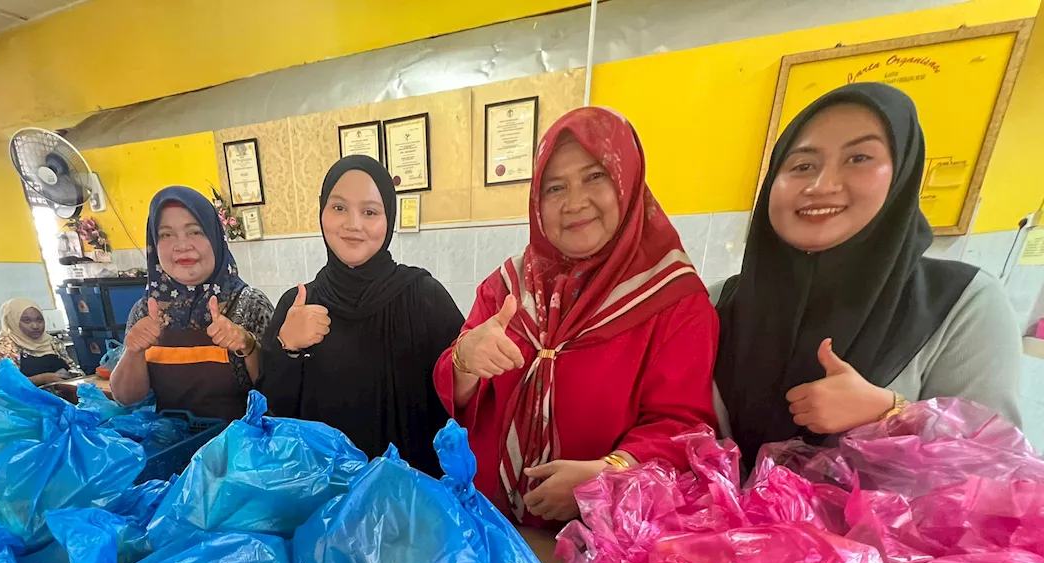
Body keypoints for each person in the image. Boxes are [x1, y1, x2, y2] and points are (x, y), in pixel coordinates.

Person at [434, 107, 719, 525]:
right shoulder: (507, 286)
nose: (574, 202)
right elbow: (455, 387)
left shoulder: (672, 298)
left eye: (594, 177)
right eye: (554, 188)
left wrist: (608, 476)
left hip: (597, 539)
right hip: (490, 525)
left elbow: (684, 426)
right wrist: (464, 360)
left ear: (627, 184)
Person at [714, 82, 1022, 467]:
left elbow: (997, 471)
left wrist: (891, 414)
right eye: (802, 165)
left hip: (878, 530)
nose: (821, 185)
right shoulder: (718, 303)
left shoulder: (961, 303)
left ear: (902, 176)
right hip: (709, 526)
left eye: (858, 158)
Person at [259, 156, 464, 475]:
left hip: (407, 499)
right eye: (338, 208)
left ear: (389, 220)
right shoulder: (297, 304)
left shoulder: (424, 297)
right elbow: (274, 415)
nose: (353, 224)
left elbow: (458, 402)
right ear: (322, 213)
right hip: (322, 498)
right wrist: (288, 347)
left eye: (370, 212)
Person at [111, 186, 272, 418]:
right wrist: (134, 352)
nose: (182, 245)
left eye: (195, 232)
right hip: (171, 446)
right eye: (166, 234)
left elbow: (279, 392)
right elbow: (126, 399)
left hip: (239, 448)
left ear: (215, 238)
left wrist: (248, 347)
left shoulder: (250, 305)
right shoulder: (145, 311)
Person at [0, 297, 80, 385]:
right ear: (12, 321)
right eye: (27, 321)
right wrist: (42, 379)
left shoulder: (53, 343)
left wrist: (73, 375)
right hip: (26, 399)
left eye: (39, 320)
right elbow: (6, 383)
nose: (35, 326)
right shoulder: (4, 347)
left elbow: (74, 370)